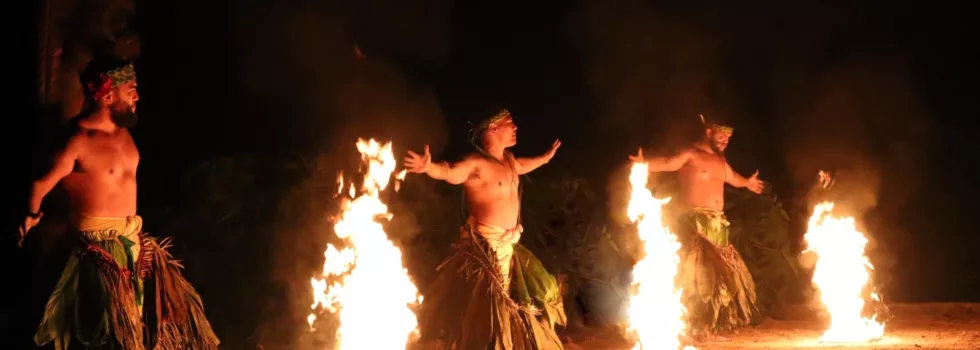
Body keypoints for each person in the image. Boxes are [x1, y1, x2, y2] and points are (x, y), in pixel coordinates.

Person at [19, 56, 219, 350]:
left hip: (133, 244)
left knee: (160, 326)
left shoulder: (125, 134)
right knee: (106, 336)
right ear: (107, 93)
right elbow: (39, 184)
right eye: (131, 88)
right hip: (96, 250)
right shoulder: (77, 141)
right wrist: (31, 216)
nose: (137, 95)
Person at [405, 109, 567, 350]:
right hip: (486, 250)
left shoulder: (510, 161)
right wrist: (429, 167)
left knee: (538, 291)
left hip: (510, 245)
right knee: (491, 308)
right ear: (493, 128)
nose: (515, 128)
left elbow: (524, 164)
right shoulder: (476, 164)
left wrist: (546, 157)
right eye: (509, 123)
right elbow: (449, 171)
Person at [629, 114, 763, 341]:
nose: (725, 141)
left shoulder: (720, 160)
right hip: (696, 223)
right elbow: (669, 163)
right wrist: (646, 164)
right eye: (721, 136)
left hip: (719, 224)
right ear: (708, 132)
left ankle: (714, 327)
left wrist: (747, 183)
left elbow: (732, 177)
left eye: (728, 138)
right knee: (697, 275)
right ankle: (691, 327)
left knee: (720, 278)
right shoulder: (690, 153)